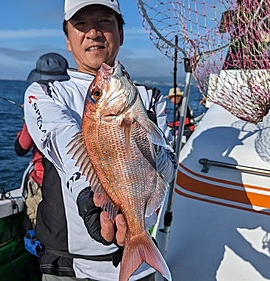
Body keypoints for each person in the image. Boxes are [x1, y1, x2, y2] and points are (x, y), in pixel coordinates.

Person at [23, 1, 176, 280]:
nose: (93, 32)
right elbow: (61, 137)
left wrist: (147, 141)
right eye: (81, 25)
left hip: (140, 268)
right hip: (70, 267)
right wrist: (88, 195)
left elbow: (168, 171)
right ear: (68, 40)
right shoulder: (45, 91)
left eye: (105, 21)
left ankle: (139, 240)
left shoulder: (151, 97)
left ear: (121, 32)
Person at [15, 52, 70, 230]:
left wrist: (28, 119)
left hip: (43, 183)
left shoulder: (37, 108)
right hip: (72, 186)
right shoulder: (76, 105)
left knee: (40, 232)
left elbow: (20, 148)